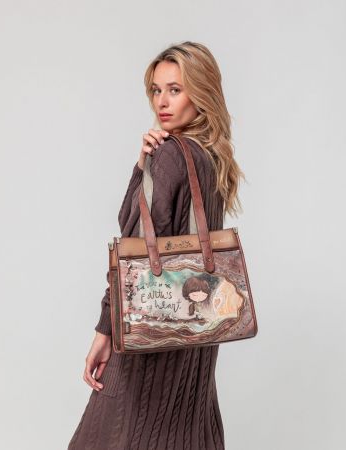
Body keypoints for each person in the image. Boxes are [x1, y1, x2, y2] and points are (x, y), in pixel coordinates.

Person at [67, 40, 245, 450]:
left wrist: (105, 329)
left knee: (122, 433)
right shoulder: (211, 157)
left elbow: (131, 246)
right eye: (156, 90)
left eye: (175, 90)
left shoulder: (169, 155)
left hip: (153, 329)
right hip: (196, 334)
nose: (162, 102)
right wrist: (142, 165)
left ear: (201, 93)